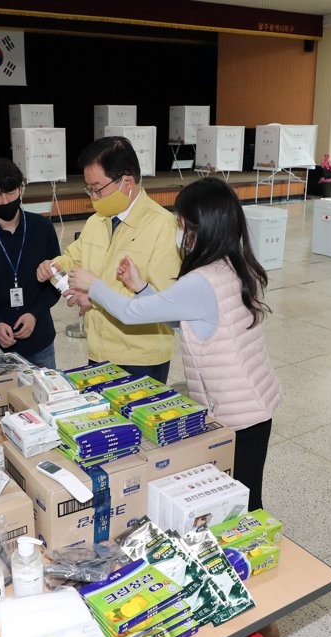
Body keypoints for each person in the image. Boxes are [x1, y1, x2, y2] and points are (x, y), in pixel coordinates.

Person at [67, 177, 282, 513]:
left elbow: (130, 314)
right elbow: (184, 320)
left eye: (181, 224)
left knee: (242, 500)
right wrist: (140, 286)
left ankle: (255, 556)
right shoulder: (232, 266)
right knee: (244, 491)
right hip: (253, 401)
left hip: (236, 410)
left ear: (201, 227)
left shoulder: (200, 281)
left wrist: (95, 286)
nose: (178, 233)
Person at [35, 136, 181, 382]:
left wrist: (96, 297)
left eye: (97, 188)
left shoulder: (163, 226)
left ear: (126, 182)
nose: (92, 196)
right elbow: (75, 257)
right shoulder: (97, 221)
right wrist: (56, 265)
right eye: (88, 189)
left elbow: (161, 301)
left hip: (141, 358)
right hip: (99, 351)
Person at [0, 157, 61, 368]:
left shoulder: (43, 228)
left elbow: (57, 282)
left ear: (21, 189)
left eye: (11, 191)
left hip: (40, 340)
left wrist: (34, 315)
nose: (6, 200)